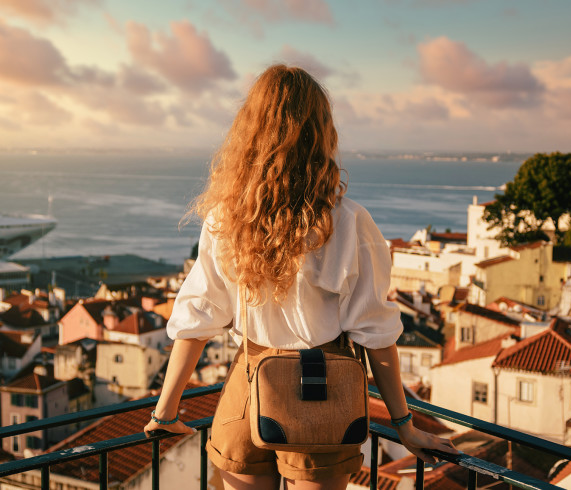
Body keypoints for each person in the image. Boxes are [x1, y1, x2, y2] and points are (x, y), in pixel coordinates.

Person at [144, 64, 458, 490]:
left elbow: (198, 318)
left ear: (250, 133)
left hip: (250, 386)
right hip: (323, 396)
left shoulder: (226, 220)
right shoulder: (349, 223)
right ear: (321, 133)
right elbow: (377, 336)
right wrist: (404, 425)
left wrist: (165, 410)